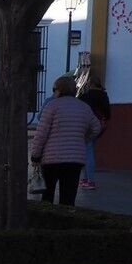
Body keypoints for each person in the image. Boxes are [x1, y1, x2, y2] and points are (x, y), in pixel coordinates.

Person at [28, 75, 99, 206]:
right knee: (68, 197)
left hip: (51, 159)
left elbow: (41, 133)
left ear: (59, 90)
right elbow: (96, 128)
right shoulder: (84, 107)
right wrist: (82, 138)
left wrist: (35, 155)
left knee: (47, 195)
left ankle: (48, 218)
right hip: (75, 159)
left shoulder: (51, 106)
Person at [77, 78, 111, 190]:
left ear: (90, 84)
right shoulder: (104, 96)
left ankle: (90, 180)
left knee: (88, 151)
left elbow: (80, 108)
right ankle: (86, 178)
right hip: (100, 125)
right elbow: (108, 113)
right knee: (89, 149)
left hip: (87, 125)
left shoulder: (85, 96)